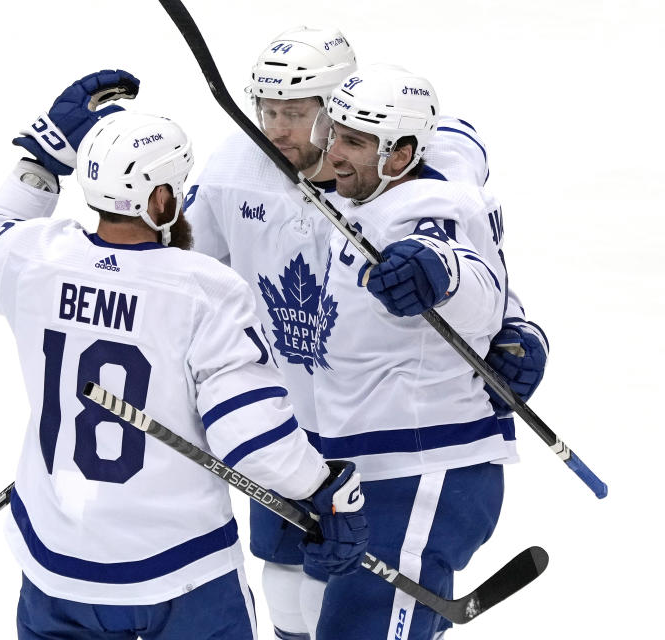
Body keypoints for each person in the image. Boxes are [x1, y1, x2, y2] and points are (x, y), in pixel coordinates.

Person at [0, 70, 368, 640]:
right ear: (159, 197)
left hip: (56, 570)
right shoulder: (204, 288)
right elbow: (251, 437)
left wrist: (42, 161)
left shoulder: (33, 258)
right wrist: (321, 489)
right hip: (181, 574)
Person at [185, 26, 548, 639]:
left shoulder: (416, 175)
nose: (276, 129)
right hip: (301, 438)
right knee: (292, 597)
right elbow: (173, 265)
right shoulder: (236, 170)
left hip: (411, 446)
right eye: (267, 109)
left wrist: (515, 324)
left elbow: (462, 250)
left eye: (297, 114)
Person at [306, 63, 517, 639]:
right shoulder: (372, 188)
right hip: (378, 470)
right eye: (334, 132)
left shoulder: (419, 212)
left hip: (425, 470)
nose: (334, 152)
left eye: (354, 141)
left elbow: (474, 287)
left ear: (399, 154)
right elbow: (459, 139)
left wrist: (438, 272)